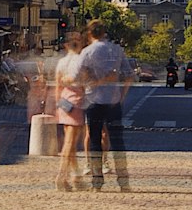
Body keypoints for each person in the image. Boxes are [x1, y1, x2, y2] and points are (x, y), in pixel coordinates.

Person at [65, 19, 133, 192]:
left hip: (93, 101)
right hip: (113, 101)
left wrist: (90, 82)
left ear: (90, 34)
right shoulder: (117, 50)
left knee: (95, 141)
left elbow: (75, 77)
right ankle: (123, 181)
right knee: (118, 142)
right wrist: (122, 95)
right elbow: (129, 74)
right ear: (104, 32)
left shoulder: (87, 52)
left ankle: (97, 181)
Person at [53, 32, 87, 191]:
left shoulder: (61, 62)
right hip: (76, 102)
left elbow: (58, 85)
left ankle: (77, 177)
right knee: (70, 142)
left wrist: (57, 103)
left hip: (64, 102)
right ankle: (61, 176)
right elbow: (84, 82)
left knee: (70, 141)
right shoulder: (80, 61)